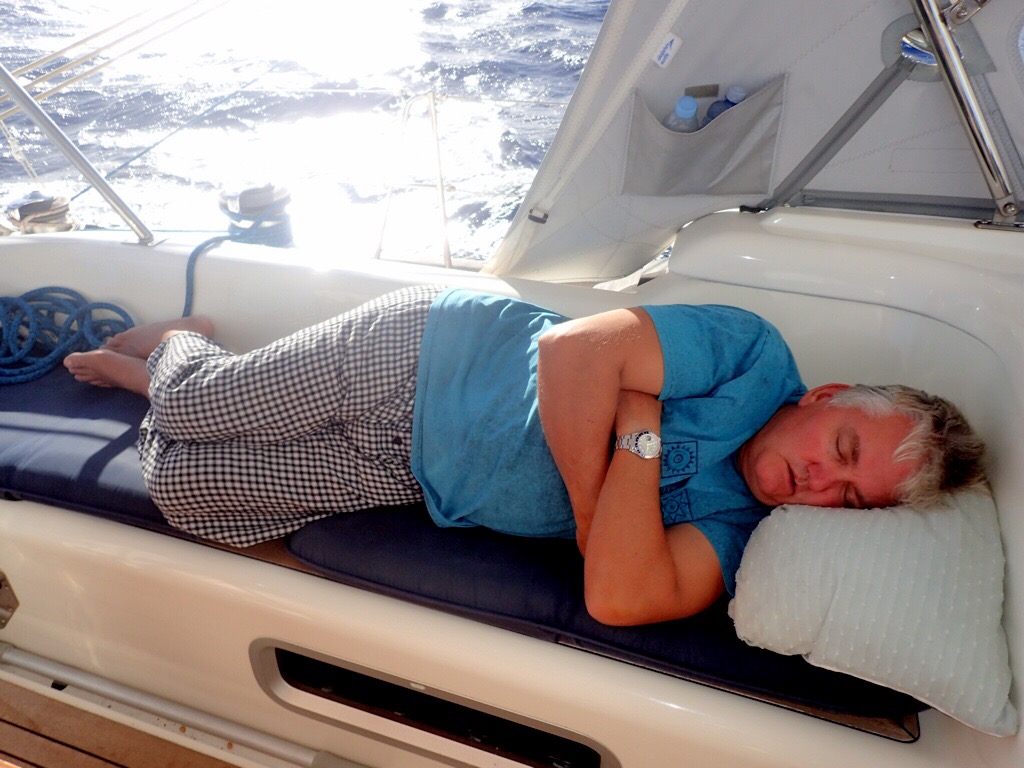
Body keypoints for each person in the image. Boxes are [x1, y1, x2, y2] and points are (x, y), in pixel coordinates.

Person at [64, 285, 987, 626]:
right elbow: (572, 352)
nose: (821, 481)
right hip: (422, 356)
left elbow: (617, 596)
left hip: (411, 474)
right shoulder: (751, 355)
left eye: (850, 498)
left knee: (183, 488)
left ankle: (177, 379)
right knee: (197, 406)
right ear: (826, 397)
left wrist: (639, 431)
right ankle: (178, 347)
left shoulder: (742, 528)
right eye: (844, 446)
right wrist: (597, 514)